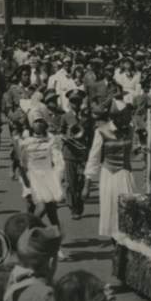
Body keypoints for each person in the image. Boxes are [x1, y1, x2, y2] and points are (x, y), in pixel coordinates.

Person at [84, 102, 135, 238]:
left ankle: (124, 243)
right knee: (112, 210)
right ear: (117, 117)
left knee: (127, 210)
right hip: (109, 176)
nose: (130, 118)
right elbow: (94, 158)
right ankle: (116, 243)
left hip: (125, 174)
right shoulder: (101, 131)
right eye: (127, 115)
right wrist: (87, 185)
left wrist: (141, 150)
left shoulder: (131, 129)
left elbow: (131, 153)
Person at [19, 108, 67, 242]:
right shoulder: (26, 141)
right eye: (35, 122)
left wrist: (58, 177)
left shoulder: (51, 139)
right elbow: (22, 164)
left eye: (41, 121)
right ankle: (26, 235)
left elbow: (58, 159)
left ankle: (57, 243)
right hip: (33, 177)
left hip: (49, 176)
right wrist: (26, 184)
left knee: (52, 213)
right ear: (31, 124)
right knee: (41, 207)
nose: (38, 124)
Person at [61, 90, 91, 220]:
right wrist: (65, 137)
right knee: (71, 182)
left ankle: (79, 205)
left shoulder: (87, 117)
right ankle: (73, 207)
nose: (76, 104)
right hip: (69, 152)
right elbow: (60, 131)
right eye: (73, 101)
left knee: (81, 181)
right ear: (69, 102)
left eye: (78, 101)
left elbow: (91, 134)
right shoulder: (65, 116)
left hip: (82, 152)